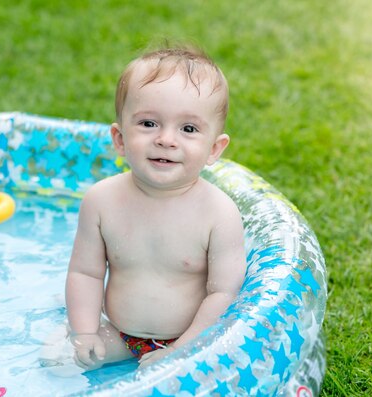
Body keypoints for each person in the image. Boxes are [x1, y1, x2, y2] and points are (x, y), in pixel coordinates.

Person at [65, 46, 247, 370]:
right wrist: (84, 332)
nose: (166, 139)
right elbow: (85, 273)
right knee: (57, 363)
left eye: (188, 129)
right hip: (118, 334)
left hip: (190, 340)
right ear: (119, 139)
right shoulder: (101, 201)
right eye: (148, 123)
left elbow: (223, 295)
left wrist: (182, 351)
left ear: (214, 149)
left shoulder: (218, 214)